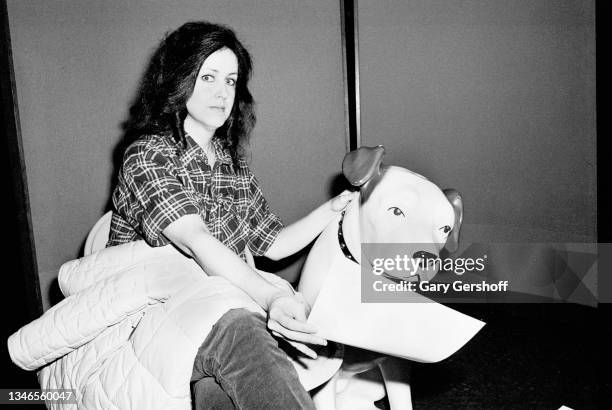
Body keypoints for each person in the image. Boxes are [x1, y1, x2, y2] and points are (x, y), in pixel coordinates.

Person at [106, 21, 353, 409]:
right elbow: (197, 240)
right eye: (208, 78)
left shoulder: (230, 164)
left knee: (222, 387)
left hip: (214, 319)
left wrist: (335, 207)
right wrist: (271, 296)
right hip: (153, 319)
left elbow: (273, 243)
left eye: (230, 81)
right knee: (239, 330)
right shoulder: (148, 154)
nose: (222, 93)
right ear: (178, 80)